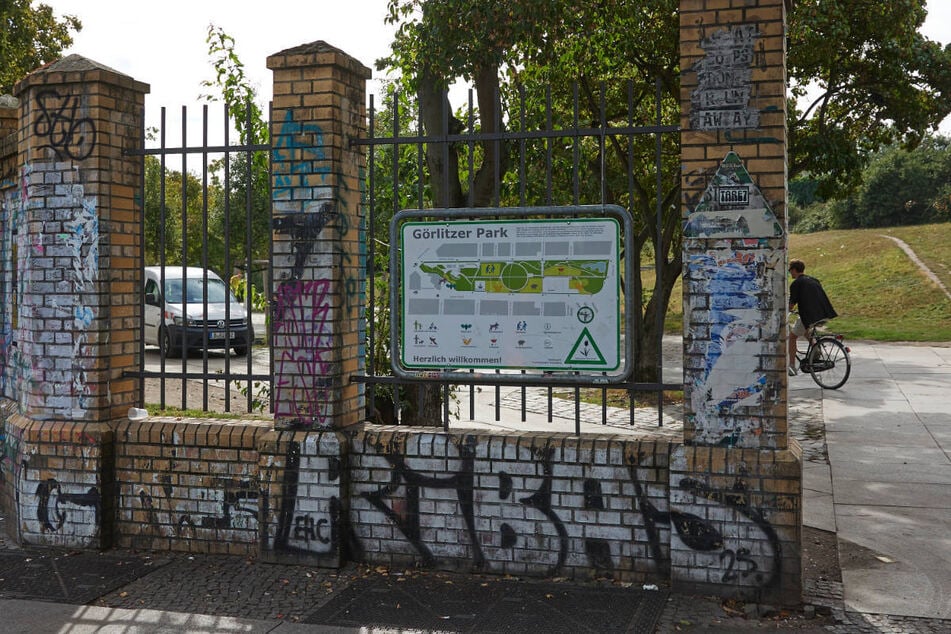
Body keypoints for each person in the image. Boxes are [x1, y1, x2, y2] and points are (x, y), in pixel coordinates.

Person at [788, 259, 837, 375]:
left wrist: (789, 310)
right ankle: (816, 349)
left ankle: (791, 367)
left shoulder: (796, 283)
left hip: (809, 316)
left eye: (790, 270)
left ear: (794, 270)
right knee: (805, 331)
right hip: (823, 313)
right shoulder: (813, 280)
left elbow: (791, 305)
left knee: (792, 337)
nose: (790, 273)